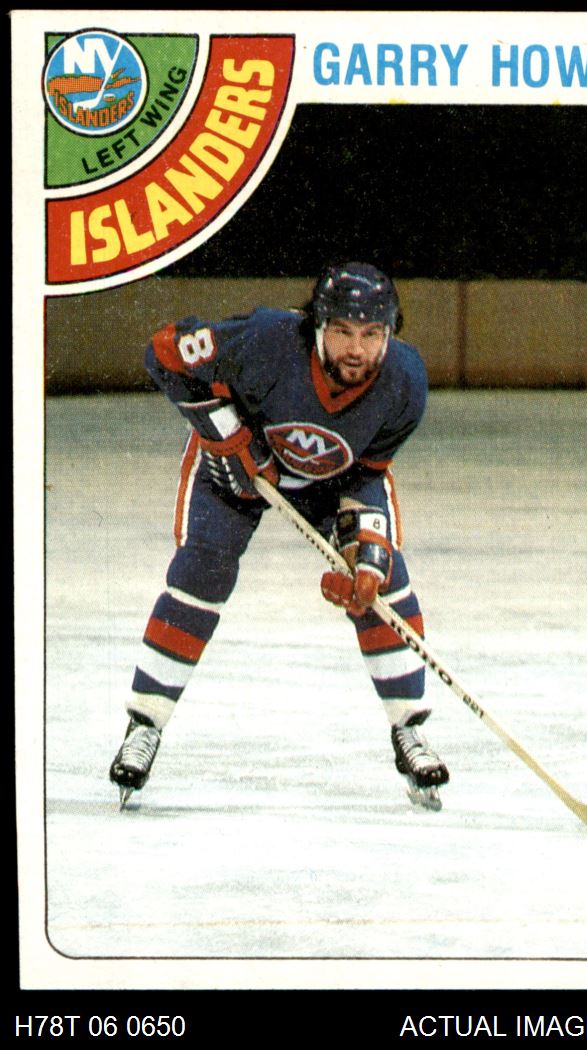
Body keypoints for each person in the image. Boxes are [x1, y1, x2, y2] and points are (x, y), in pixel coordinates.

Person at [109, 262, 449, 810]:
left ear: (390, 334)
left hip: (331, 483)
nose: (356, 349)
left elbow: (367, 474)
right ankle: (144, 723)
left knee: (381, 582)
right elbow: (164, 351)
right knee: (203, 569)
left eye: (371, 334)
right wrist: (227, 436)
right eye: (342, 331)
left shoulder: (405, 383)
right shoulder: (267, 340)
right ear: (317, 326)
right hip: (235, 475)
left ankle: (409, 728)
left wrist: (363, 552)